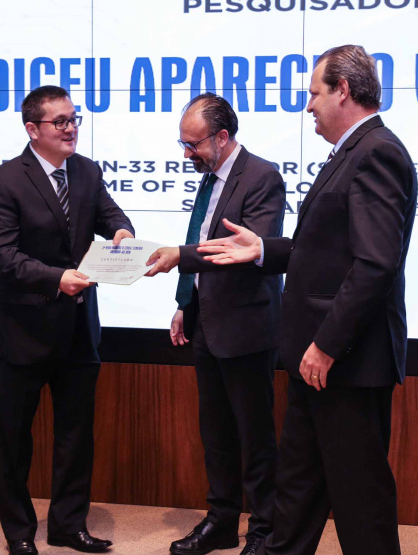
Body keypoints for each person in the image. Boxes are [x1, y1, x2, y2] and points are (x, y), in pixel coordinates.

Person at [198, 45, 418, 555]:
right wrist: (262, 249)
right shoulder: (350, 153)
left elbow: (375, 264)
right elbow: (324, 251)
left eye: (315, 94)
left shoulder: (376, 152)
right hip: (310, 359)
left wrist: (326, 345)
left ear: (343, 90)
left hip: (344, 360)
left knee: (360, 498)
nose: (308, 106)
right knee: (296, 489)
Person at [0, 85, 134, 555]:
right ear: (33, 129)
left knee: (75, 437)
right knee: (15, 442)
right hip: (21, 330)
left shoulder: (86, 171)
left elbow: (111, 216)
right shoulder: (4, 181)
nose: (71, 129)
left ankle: (69, 526)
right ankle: (20, 533)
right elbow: (0, 257)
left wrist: (123, 231)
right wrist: (56, 278)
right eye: (61, 122)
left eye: (74, 119)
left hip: (77, 331)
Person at [145, 93, 285, 555]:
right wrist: (186, 302)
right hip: (207, 323)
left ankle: (264, 532)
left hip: (246, 330)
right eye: (182, 144)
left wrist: (178, 259)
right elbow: (200, 237)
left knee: (255, 438)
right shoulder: (209, 177)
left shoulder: (262, 176)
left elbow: (243, 254)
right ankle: (222, 522)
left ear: (222, 138)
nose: (187, 154)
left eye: (194, 144)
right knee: (217, 435)